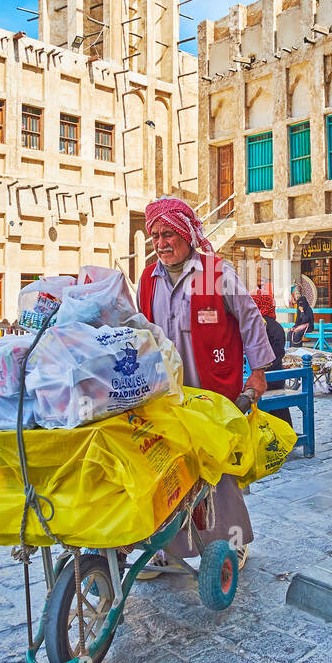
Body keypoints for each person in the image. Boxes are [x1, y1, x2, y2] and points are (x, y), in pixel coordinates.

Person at [135, 197, 276, 562]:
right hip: (167, 395)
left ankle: (231, 543)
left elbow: (249, 319)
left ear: (185, 233)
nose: (161, 243)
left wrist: (257, 372)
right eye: (155, 236)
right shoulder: (147, 281)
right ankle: (168, 547)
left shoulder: (217, 273)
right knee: (168, 468)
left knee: (216, 470)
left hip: (213, 389)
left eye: (168, 234)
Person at [253, 291, 292, 426]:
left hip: (259, 378)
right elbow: (278, 353)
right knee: (279, 410)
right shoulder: (276, 327)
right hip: (276, 377)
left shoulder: (254, 326)